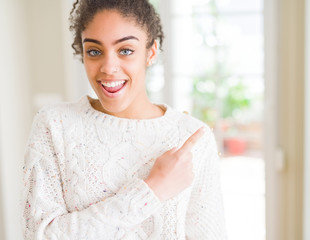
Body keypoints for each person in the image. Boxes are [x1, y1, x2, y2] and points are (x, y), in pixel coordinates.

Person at [22, 0, 227, 239]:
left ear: (150, 53)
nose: (109, 67)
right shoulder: (54, 125)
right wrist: (153, 190)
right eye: (95, 51)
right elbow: (39, 235)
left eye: (126, 50)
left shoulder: (192, 138)